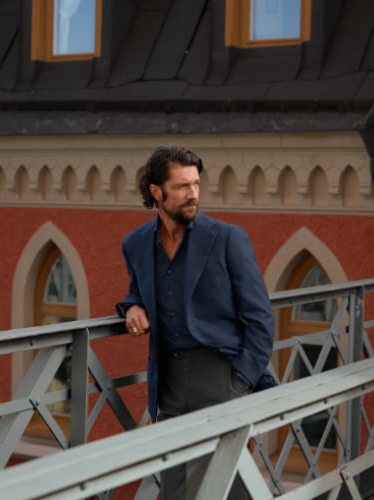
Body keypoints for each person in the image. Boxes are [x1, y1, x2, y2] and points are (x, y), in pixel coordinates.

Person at [116, 144, 275, 499]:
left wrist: (242, 381)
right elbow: (137, 289)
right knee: (176, 488)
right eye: (182, 187)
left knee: (225, 486)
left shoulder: (227, 238)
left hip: (221, 375)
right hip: (169, 383)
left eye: (196, 184)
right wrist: (132, 307)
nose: (193, 194)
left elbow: (261, 317)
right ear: (156, 192)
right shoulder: (136, 244)